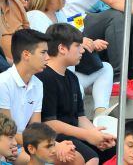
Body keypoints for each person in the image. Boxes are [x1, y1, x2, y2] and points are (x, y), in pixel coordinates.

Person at [26, 0, 113, 118]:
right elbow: (50, 51)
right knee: (75, 86)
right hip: (49, 79)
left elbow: (67, 44)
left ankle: (100, 114)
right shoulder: (35, 17)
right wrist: (79, 43)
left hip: (69, 73)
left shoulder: (60, 14)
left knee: (106, 68)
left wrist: (86, 44)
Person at [38, 23, 117, 164]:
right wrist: (88, 135)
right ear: (62, 48)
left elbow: (80, 116)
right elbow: (49, 122)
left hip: (75, 134)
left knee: (113, 151)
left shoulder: (72, 77)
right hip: (54, 137)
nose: (82, 50)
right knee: (92, 158)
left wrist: (97, 135)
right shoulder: (44, 77)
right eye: (77, 46)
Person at [0, 30, 48, 155]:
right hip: (6, 145)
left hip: (23, 144)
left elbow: (35, 128)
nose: (47, 58)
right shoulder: (3, 82)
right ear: (26, 55)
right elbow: (6, 132)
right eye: (43, 52)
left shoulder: (38, 84)